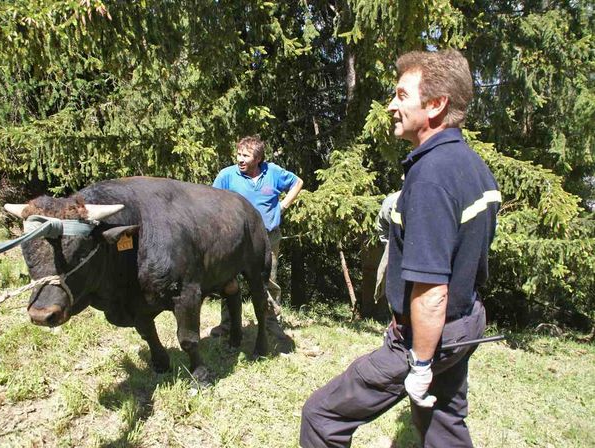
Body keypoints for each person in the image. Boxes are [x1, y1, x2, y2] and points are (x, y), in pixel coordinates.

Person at [300, 49, 501, 448]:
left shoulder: (431, 177)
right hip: (464, 324)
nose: (391, 105)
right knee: (443, 423)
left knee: (322, 415)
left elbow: (430, 292)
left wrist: (421, 364)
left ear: (436, 104)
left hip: (425, 337)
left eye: (401, 95)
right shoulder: (471, 165)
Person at [210, 135, 303, 339]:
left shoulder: (273, 172)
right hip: (235, 241)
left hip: (268, 237)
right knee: (229, 281)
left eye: (246, 155)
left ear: (259, 158)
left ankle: (272, 322)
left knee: (269, 281)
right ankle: (228, 324)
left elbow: (297, 182)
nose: (240, 159)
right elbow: (212, 202)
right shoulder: (227, 175)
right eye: (239, 154)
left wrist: (283, 206)